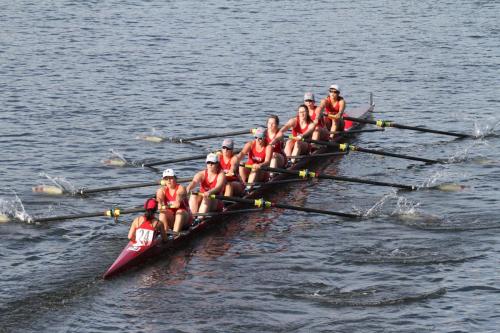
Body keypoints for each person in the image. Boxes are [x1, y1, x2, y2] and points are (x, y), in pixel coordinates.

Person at [156, 169, 192, 233]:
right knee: (162, 213)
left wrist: (176, 201)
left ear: (175, 179)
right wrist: (159, 203)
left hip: (185, 219)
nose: (169, 181)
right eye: (166, 179)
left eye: (171, 178)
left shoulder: (181, 188)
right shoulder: (161, 190)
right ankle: (165, 234)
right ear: (164, 181)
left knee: (179, 212)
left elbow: (178, 199)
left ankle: (174, 236)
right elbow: (159, 199)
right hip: (172, 218)